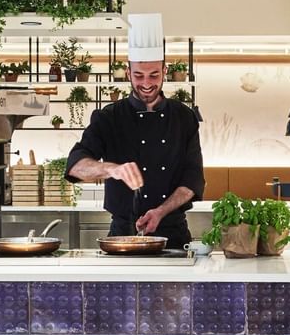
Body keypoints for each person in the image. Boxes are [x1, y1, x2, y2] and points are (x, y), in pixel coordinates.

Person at [65, 13, 204, 248]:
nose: (147, 83)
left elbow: (192, 181)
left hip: (174, 233)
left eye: (154, 75)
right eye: (139, 75)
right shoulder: (108, 117)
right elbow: (75, 166)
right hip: (122, 234)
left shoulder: (184, 117)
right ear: (128, 73)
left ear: (165, 70)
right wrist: (113, 169)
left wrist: (160, 211)